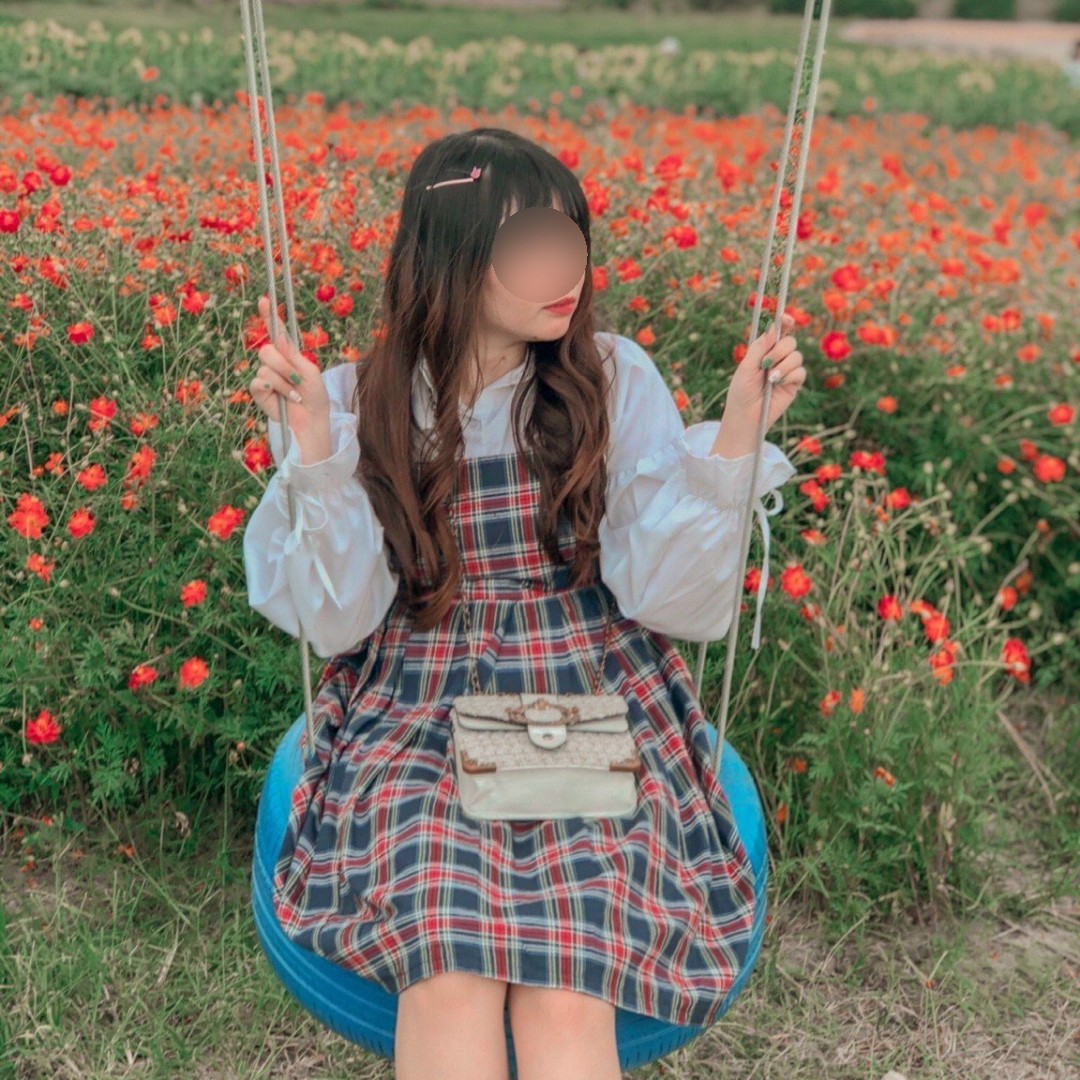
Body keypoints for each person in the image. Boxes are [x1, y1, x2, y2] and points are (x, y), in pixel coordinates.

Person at [242, 126, 804, 1080]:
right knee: (445, 951)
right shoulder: (354, 400)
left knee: (569, 972)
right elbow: (338, 621)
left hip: (587, 688)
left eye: (570, 238)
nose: (565, 270)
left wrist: (740, 430)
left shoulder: (609, 380)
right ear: (453, 255)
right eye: (530, 244)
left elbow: (667, 596)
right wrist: (315, 451)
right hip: (418, 699)